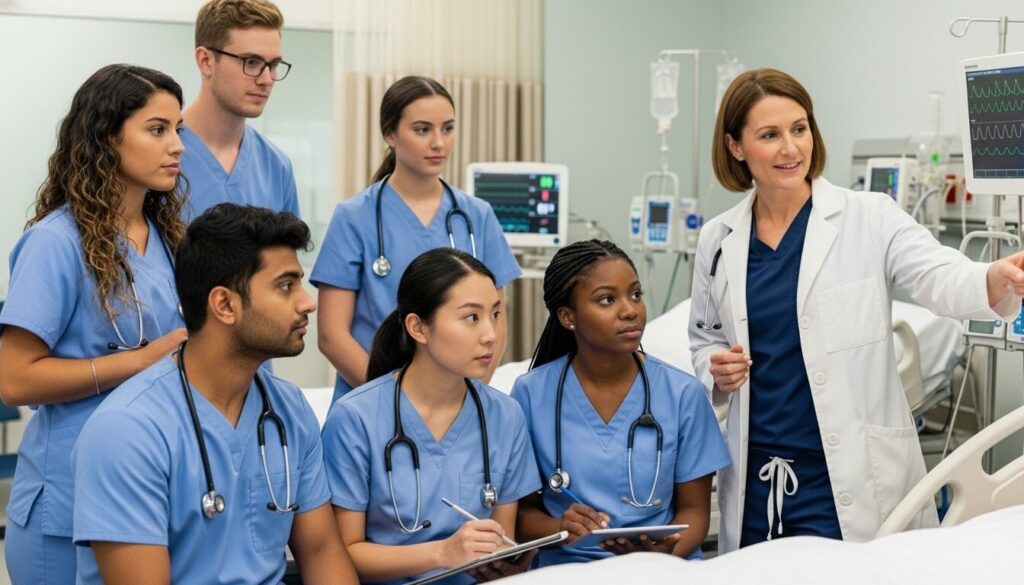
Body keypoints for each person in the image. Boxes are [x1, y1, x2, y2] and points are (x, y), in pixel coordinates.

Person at [688, 68, 1024, 553]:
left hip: (849, 482)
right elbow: (705, 340)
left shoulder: (870, 217)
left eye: (799, 128)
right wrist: (715, 369)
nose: (791, 148)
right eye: (770, 135)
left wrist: (993, 278)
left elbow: (940, 276)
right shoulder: (718, 239)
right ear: (736, 147)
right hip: (760, 480)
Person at [71, 204, 358, 585]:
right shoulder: (126, 431)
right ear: (224, 304)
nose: (308, 302)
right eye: (286, 285)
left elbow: (323, 553)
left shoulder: (289, 410)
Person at [0, 64, 189, 584]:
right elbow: (15, 381)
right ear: (107, 136)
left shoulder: (169, 239)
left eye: (178, 130)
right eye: (157, 129)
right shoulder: (55, 243)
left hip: (145, 488)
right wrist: (143, 361)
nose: (176, 146)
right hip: (67, 501)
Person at [321, 248, 538, 584]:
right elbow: (344, 553)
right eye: (471, 317)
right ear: (418, 328)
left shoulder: (505, 416)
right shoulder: (355, 418)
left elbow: (500, 541)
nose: (491, 335)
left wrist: (508, 560)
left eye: (495, 314)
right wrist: (442, 553)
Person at [511, 239, 730, 567]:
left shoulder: (682, 394)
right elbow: (522, 512)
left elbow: (695, 512)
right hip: (569, 568)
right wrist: (560, 527)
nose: (630, 310)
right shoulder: (531, 394)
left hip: (661, 567)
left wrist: (661, 555)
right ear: (568, 317)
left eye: (636, 294)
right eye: (607, 299)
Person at [312, 75, 521, 402]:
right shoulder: (354, 217)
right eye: (422, 130)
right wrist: (395, 399)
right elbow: (331, 335)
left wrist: (465, 397)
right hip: (373, 400)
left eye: (448, 128)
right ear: (390, 134)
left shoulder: (476, 216)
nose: (439, 143)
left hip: (457, 404)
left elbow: (496, 322)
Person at [180, 0, 300, 220]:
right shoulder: (162, 155)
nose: (266, 79)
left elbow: (285, 254)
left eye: (273, 65)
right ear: (205, 60)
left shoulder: (276, 167)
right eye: (252, 62)